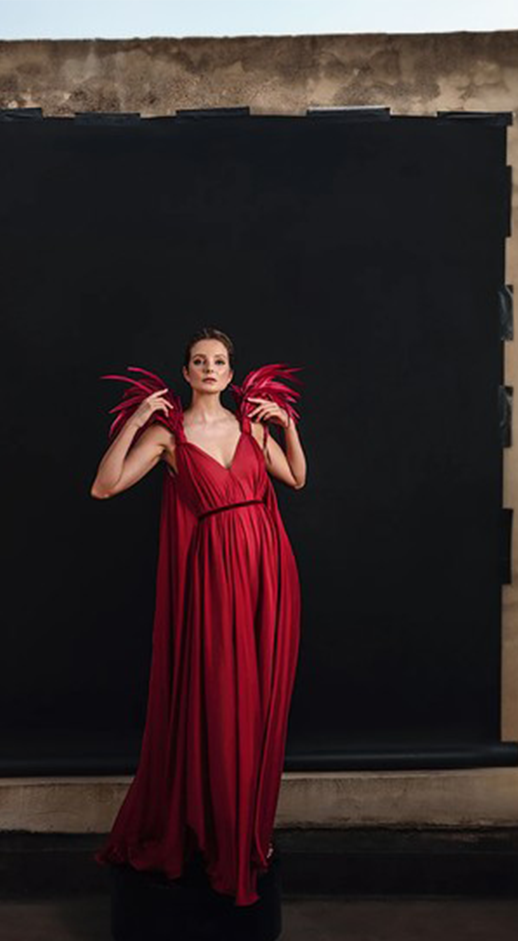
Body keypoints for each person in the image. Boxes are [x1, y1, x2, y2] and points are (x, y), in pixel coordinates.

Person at [90, 328, 306, 906]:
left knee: (258, 702)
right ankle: (212, 834)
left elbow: (297, 478)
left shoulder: (253, 428)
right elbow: (103, 486)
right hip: (214, 577)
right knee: (219, 701)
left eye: (219, 361)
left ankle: (246, 834)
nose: (209, 368)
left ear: (231, 372)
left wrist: (290, 427)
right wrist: (136, 420)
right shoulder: (169, 434)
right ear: (185, 373)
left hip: (268, 570)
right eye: (198, 361)